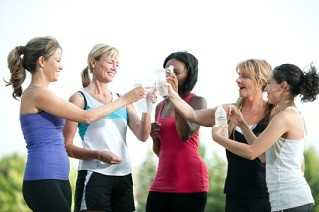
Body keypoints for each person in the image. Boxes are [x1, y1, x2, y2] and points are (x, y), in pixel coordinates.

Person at [6, 37, 144, 212]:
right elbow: (86, 117)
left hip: (58, 178)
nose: (61, 66)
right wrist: (125, 99)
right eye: (57, 60)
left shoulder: (45, 94)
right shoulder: (36, 94)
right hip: (43, 178)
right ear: (42, 61)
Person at [166, 59, 273, 211]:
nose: (238, 80)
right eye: (238, 76)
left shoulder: (274, 114)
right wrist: (172, 93)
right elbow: (192, 115)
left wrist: (218, 137)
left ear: (260, 81)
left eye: (244, 76)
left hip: (268, 195)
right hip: (235, 195)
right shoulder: (228, 111)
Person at [212, 63, 318, 212]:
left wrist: (218, 138)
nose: (266, 88)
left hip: (290, 202)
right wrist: (242, 124)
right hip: (288, 202)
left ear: (283, 86)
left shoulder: (285, 117)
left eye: (269, 84)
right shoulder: (285, 114)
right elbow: (262, 155)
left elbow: (251, 152)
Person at [63, 43, 152, 212]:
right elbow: (67, 146)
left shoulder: (121, 99)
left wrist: (148, 105)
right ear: (93, 62)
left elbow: (143, 135)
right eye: (111, 62)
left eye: (117, 64)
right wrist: (98, 155)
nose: (114, 67)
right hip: (94, 176)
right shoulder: (80, 98)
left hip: (124, 176)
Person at [146, 52, 209, 212]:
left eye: (176, 72)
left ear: (188, 75)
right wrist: (155, 138)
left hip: (189, 180)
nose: (170, 76)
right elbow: (160, 152)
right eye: (167, 72)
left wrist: (175, 98)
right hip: (162, 180)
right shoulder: (160, 106)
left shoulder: (197, 101)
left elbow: (184, 134)